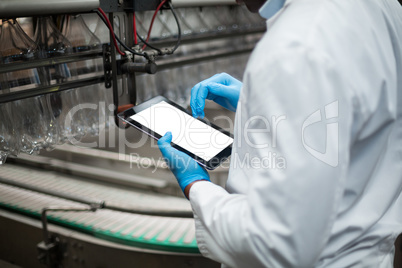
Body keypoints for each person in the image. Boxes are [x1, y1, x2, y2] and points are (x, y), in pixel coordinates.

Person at [157, 0, 402, 267]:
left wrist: (197, 186)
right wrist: (274, 107)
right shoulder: (384, 6)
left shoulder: (297, 44)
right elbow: (365, 113)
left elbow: (276, 241)